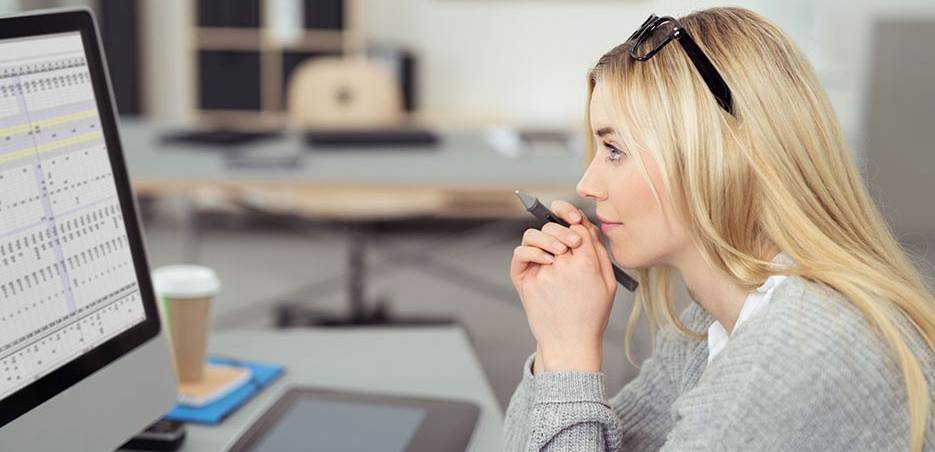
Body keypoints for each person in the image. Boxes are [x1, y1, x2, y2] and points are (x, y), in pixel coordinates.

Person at [505, 6, 935, 452]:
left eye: (614, 149)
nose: (586, 185)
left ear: (713, 155)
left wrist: (570, 353)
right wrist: (554, 353)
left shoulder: (791, 353)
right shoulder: (716, 320)